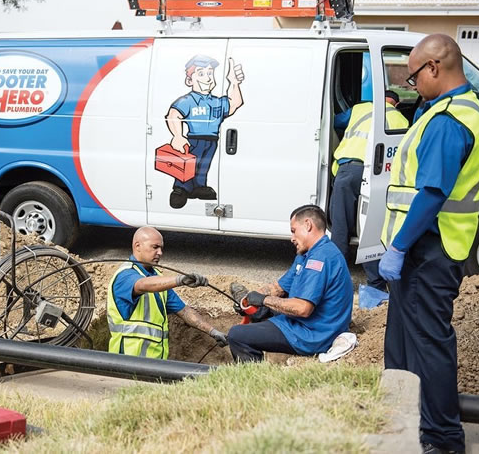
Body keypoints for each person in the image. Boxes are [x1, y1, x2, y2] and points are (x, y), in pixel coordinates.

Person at [378, 34, 479, 454]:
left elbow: (432, 192)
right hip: (424, 251)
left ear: (434, 68)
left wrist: (399, 246)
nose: (411, 84)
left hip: (428, 250)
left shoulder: (448, 120)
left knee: (427, 346)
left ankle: (442, 440)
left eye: (413, 76)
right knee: (405, 344)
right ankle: (404, 424)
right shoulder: (447, 110)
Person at [226, 205, 353, 361]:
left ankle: (254, 379)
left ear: (308, 225)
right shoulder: (307, 254)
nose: (291, 237)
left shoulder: (320, 258)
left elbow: (303, 309)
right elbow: (278, 288)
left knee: (238, 335)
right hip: (309, 324)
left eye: (293, 231)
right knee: (260, 311)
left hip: (314, 334)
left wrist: (264, 300)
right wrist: (248, 300)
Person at [330, 90, 409, 299]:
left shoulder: (360, 108)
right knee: (370, 230)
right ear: (396, 104)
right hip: (375, 174)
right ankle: (376, 285)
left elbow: (335, 121)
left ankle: (334, 279)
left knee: (340, 227)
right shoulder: (400, 118)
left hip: (347, 171)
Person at [107, 226, 228, 359]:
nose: (160, 253)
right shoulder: (125, 275)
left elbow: (184, 311)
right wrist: (180, 280)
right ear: (137, 246)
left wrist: (212, 331)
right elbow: (142, 285)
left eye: (161, 248)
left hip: (155, 363)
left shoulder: (157, 278)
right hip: (127, 362)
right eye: (155, 247)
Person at [165, 54, 244, 209]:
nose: (207, 78)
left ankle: (199, 186)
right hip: (194, 139)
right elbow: (173, 115)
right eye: (201, 74)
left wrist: (234, 82)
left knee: (203, 166)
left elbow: (235, 103)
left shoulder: (216, 101)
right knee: (187, 165)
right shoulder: (189, 100)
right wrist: (178, 136)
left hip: (212, 140)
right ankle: (180, 189)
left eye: (210, 73)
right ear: (190, 80)